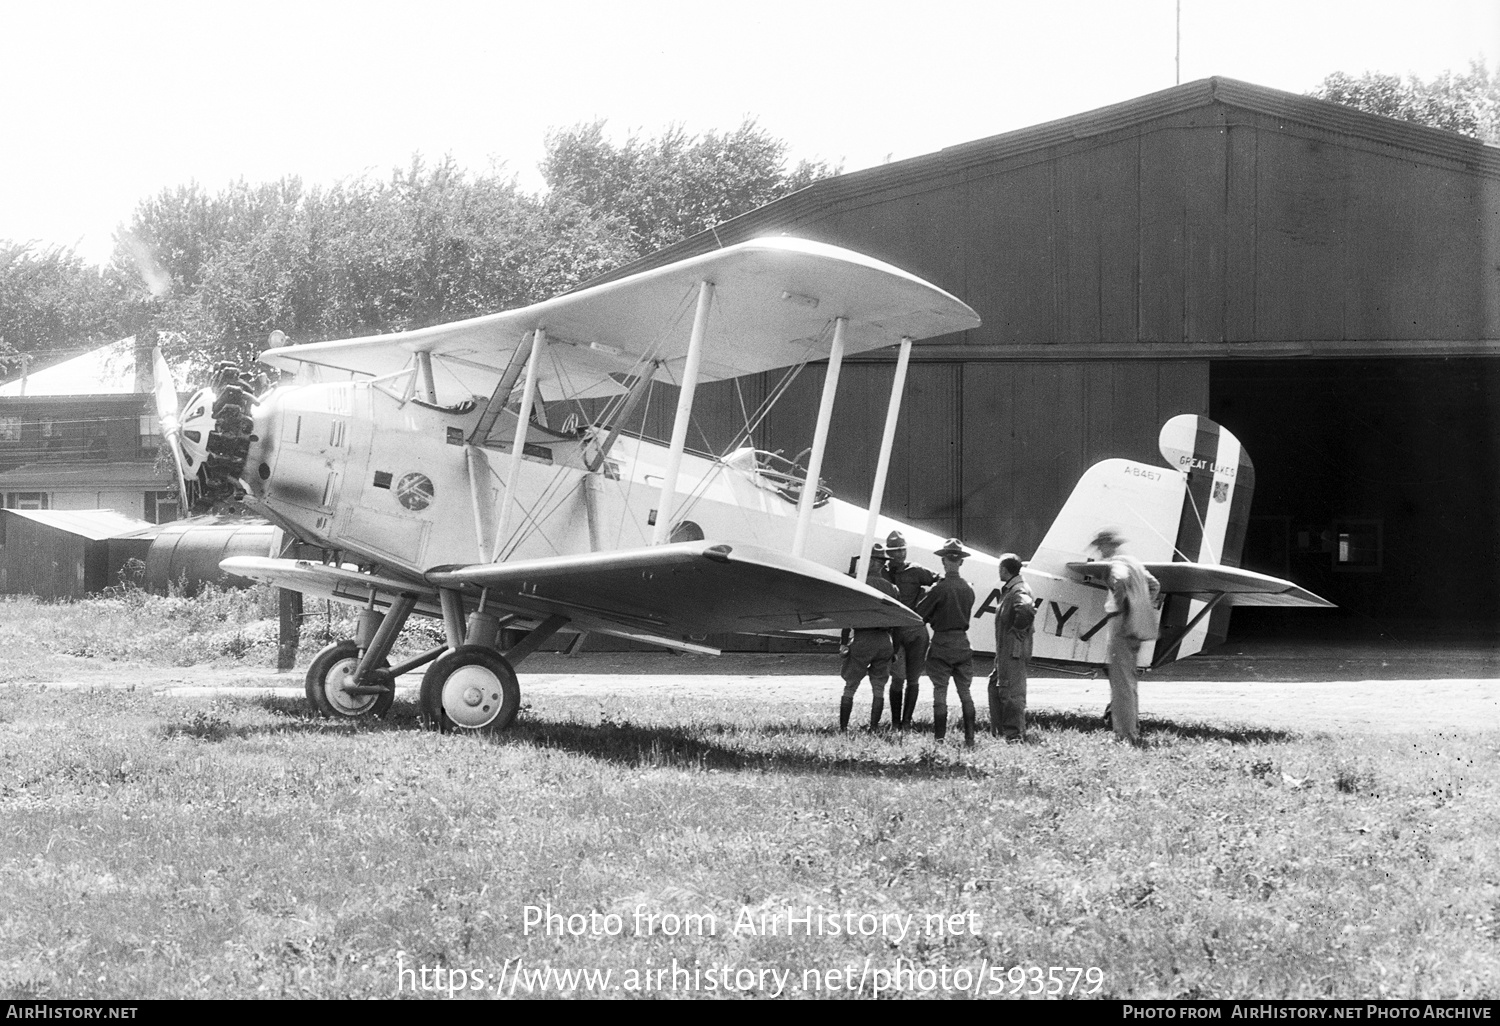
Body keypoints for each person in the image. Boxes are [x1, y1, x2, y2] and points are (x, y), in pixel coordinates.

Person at [1091, 528, 1160, 744]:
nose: (1100, 550)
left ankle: (1124, 735)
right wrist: (1141, 608)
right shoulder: (1135, 562)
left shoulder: (1116, 564)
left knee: (1120, 681)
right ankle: (1133, 729)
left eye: (1101, 545)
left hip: (1120, 622)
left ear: (1110, 546)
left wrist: (1123, 608)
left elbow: (1120, 580)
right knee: (1129, 680)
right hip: (1136, 625)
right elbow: (1154, 585)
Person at [914, 539, 977, 746]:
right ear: (961, 562)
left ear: (943, 561)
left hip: (941, 642)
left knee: (940, 691)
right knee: (965, 693)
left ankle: (940, 740)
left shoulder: (938, 589)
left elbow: (920, 616)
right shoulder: (968, 588)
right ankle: (969, 738)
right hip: (962, 642)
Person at [839, 544, 902, 732]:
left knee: (850, 686)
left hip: (862, 638)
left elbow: (846, 616)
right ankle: (874, 727)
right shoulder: (892, 588)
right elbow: (898, 621)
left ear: (870, 561)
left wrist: (843, 642)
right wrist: (895, 650)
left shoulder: (857, 583)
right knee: (879, 688)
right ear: (882, 564)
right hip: (885, 641)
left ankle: (843, 728)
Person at [883, 530, 939, 729]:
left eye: (902, 550)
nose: (900, 554)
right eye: (896, 551)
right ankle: (896, 721)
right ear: (888, 553)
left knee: (913, 678)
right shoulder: (882, 572)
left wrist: (926, 606)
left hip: (915, 629)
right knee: (897, 678)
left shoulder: (916, 571)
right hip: (893, 631)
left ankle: (907, 721)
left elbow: (939, 581)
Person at [988, 553, 1036, 741]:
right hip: (1006, 651)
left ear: (1004, 570)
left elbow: (1025, 608)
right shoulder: (1013, 589)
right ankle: (1001, 732)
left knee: (1010, 693)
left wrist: (1017, 631)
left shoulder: (1017, 590)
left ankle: (1014, 735)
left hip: (1012, 651)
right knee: (995, 687)